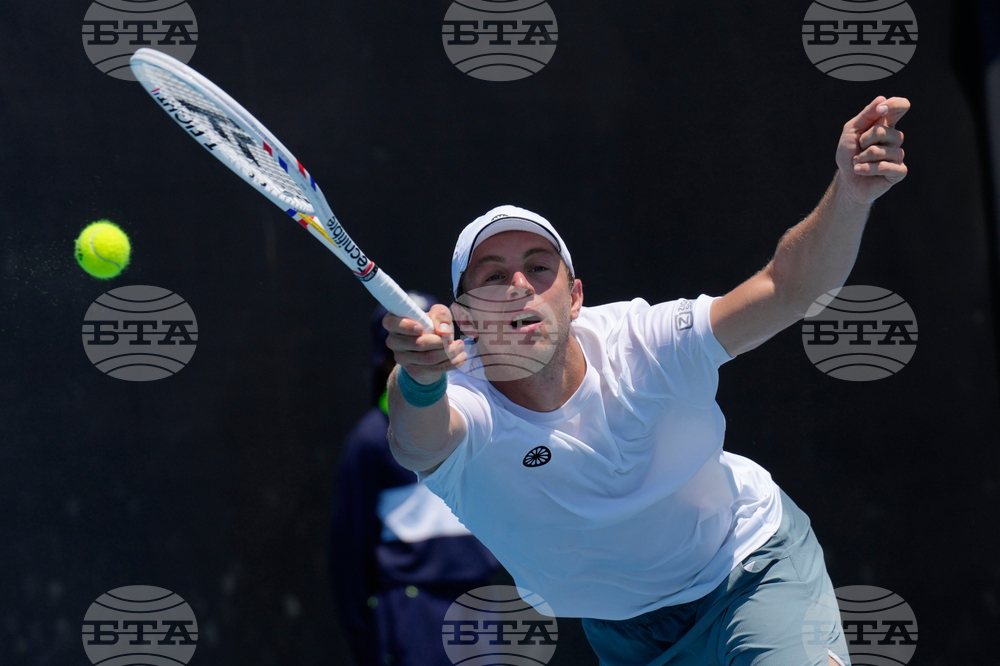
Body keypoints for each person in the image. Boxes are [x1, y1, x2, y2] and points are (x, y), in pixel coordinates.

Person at [380, 96, 910, 666]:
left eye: (539, 267)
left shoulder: (647, 343)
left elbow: (787, 287)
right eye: (492, 275)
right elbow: (417, 441)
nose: (519, 285)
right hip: (625, 636)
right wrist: (418, 379)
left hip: (750, 570)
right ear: (466, 318)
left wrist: (850, 195)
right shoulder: (463, 404)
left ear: (575, 296)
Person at [329, 292, 499, 666]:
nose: (421, 355)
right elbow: (347, 555)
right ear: (385, 357)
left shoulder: (478, 422)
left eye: (430, 342)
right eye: (406, 346)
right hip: (412, 613)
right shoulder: (370, 441)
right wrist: (368, 639)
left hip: (478, 606)